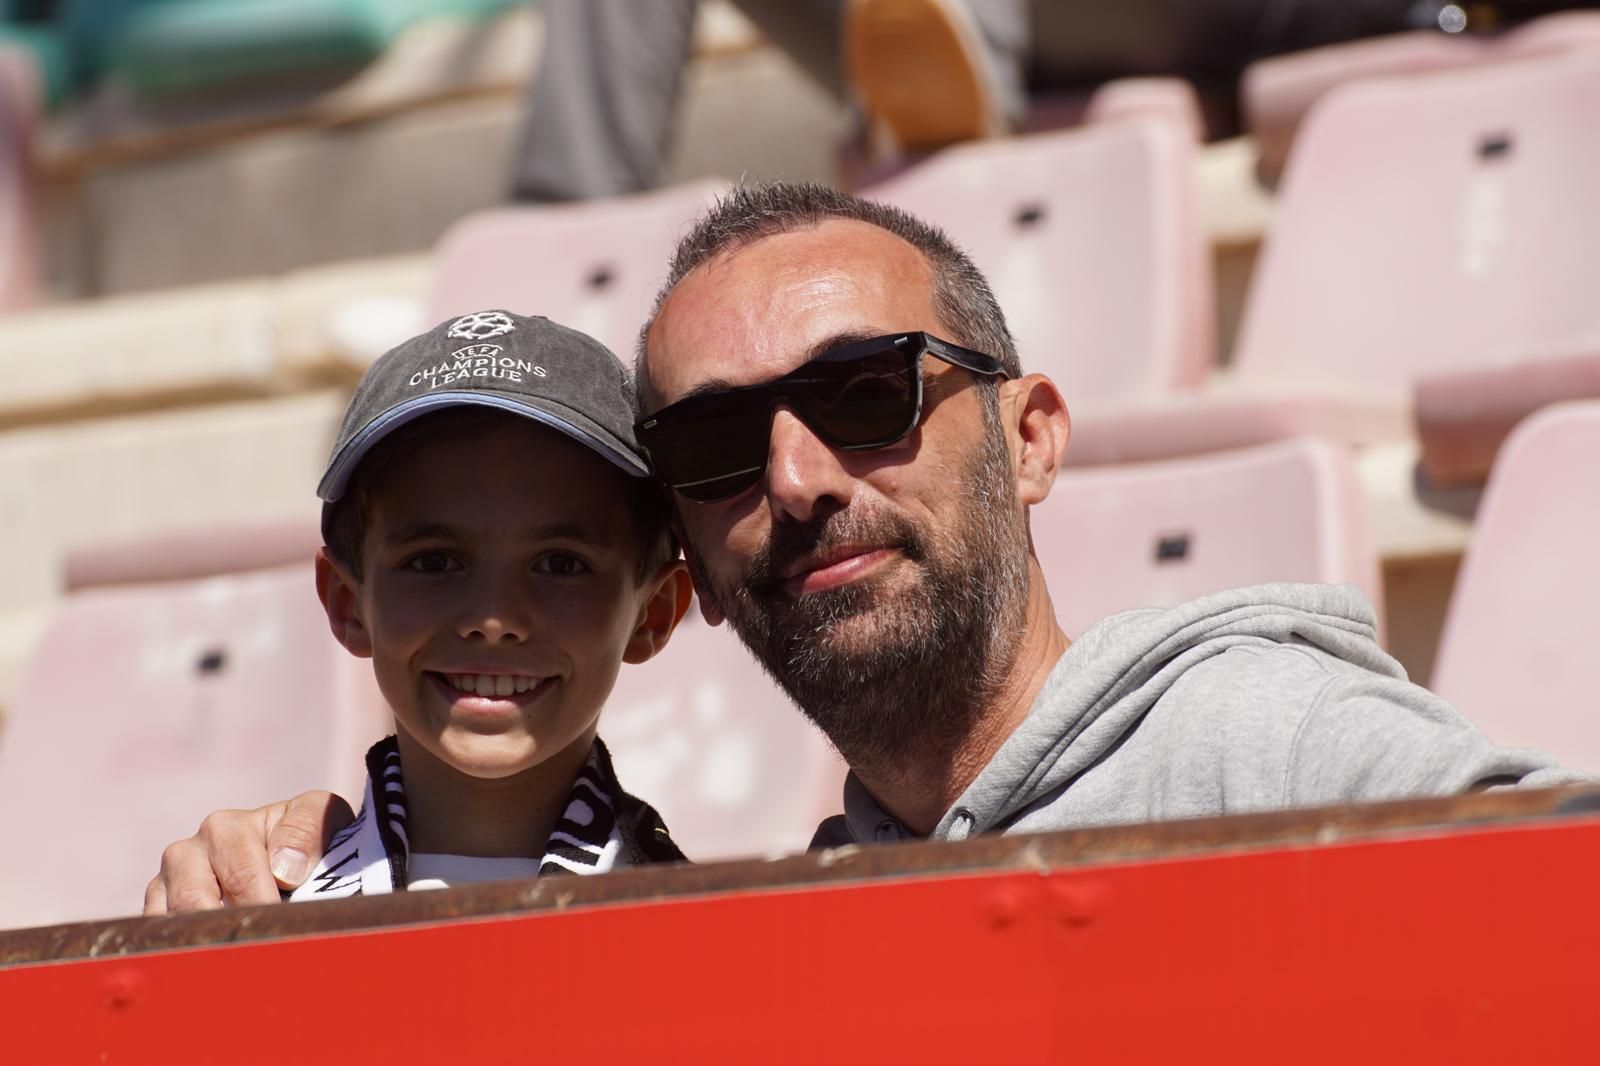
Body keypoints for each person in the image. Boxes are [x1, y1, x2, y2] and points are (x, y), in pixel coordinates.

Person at [146, 182, 1588, 911]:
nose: (795, 473)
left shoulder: (1266, 743)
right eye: (714, 446)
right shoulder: (789, 909)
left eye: (862, 394)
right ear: (691, 584)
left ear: (1029, 436)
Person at [245, 309, 693, 902]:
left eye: (561, 564)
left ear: (653, 613)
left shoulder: (699, 931)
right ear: (347, 603)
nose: (494, 619)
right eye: (434, 562)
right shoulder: (252, 911)